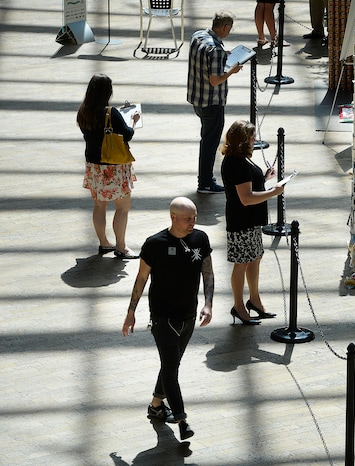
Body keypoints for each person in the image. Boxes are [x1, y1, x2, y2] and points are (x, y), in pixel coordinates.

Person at [121, 197, 214, 441]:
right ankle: (182, 419)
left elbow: (207, 272)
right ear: (173, 217)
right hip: (163, 317)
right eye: (187, 219)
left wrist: (208, 304)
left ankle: (155, 406)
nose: (193, 223)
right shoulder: (155, 244)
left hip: (189, 315)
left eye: (194, 218)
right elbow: (141, 279)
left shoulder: (200, 239)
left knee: (170, 365)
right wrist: (131, 312)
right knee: (172, 369)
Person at [221, 121, 284, 324]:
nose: (254, 140)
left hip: (251, 221)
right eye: (251, 137)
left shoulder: (241, 159)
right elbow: (246, 198)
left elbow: (248, 186)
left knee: (254, 258)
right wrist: (272, 192)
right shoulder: (235, 163)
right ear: (242, 141)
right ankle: (238, 306)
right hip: (241, 222)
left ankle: (254, 300)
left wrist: (264, 179)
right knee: (242, 263)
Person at [77, 74, 140, 259]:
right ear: (108, 92)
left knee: (99, 205)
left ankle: (104, 243)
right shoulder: (110, 113)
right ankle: (121, 246)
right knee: (123, 206)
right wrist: (133, 122)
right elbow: (127, 135)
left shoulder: (83, 111)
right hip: (114, 166)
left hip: (94, 166)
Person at [187, 10, 243, 194]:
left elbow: (207, 58)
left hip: (197, 99)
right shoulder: (216, 51)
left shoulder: (198, 36)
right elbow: (214, 80)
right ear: (225, 27)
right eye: (230, 28)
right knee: (210, 144)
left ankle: (205, 179)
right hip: (212, 103)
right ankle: (205, 182)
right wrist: (230, 72)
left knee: (206, 139)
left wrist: (224, 54)